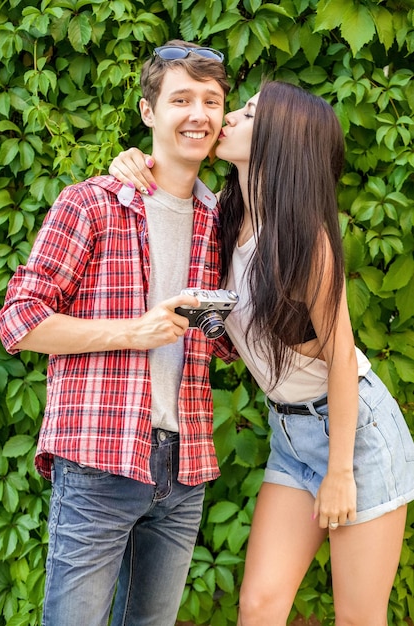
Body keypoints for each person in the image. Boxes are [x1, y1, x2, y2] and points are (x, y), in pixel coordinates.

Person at [109, 80, 414, 626]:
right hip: (289, 435)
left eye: (248, 114)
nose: (228, 118)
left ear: (279, 139)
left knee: (359, 618)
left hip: (354, 435)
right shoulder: (225, 213)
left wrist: (340, 470)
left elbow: (342, 358)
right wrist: (131, 160)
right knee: (259, 606)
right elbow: (165, 178)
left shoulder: (306, 242)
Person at [0, 40, 238, 626]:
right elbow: (18, 320)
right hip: (99, 460)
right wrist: (134, 331)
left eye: (211, 100)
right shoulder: (93, 204)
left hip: (185, 470)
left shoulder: (223, 222)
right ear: (148, 111)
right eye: (181, 98)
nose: (198, 114)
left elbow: (230, 343)